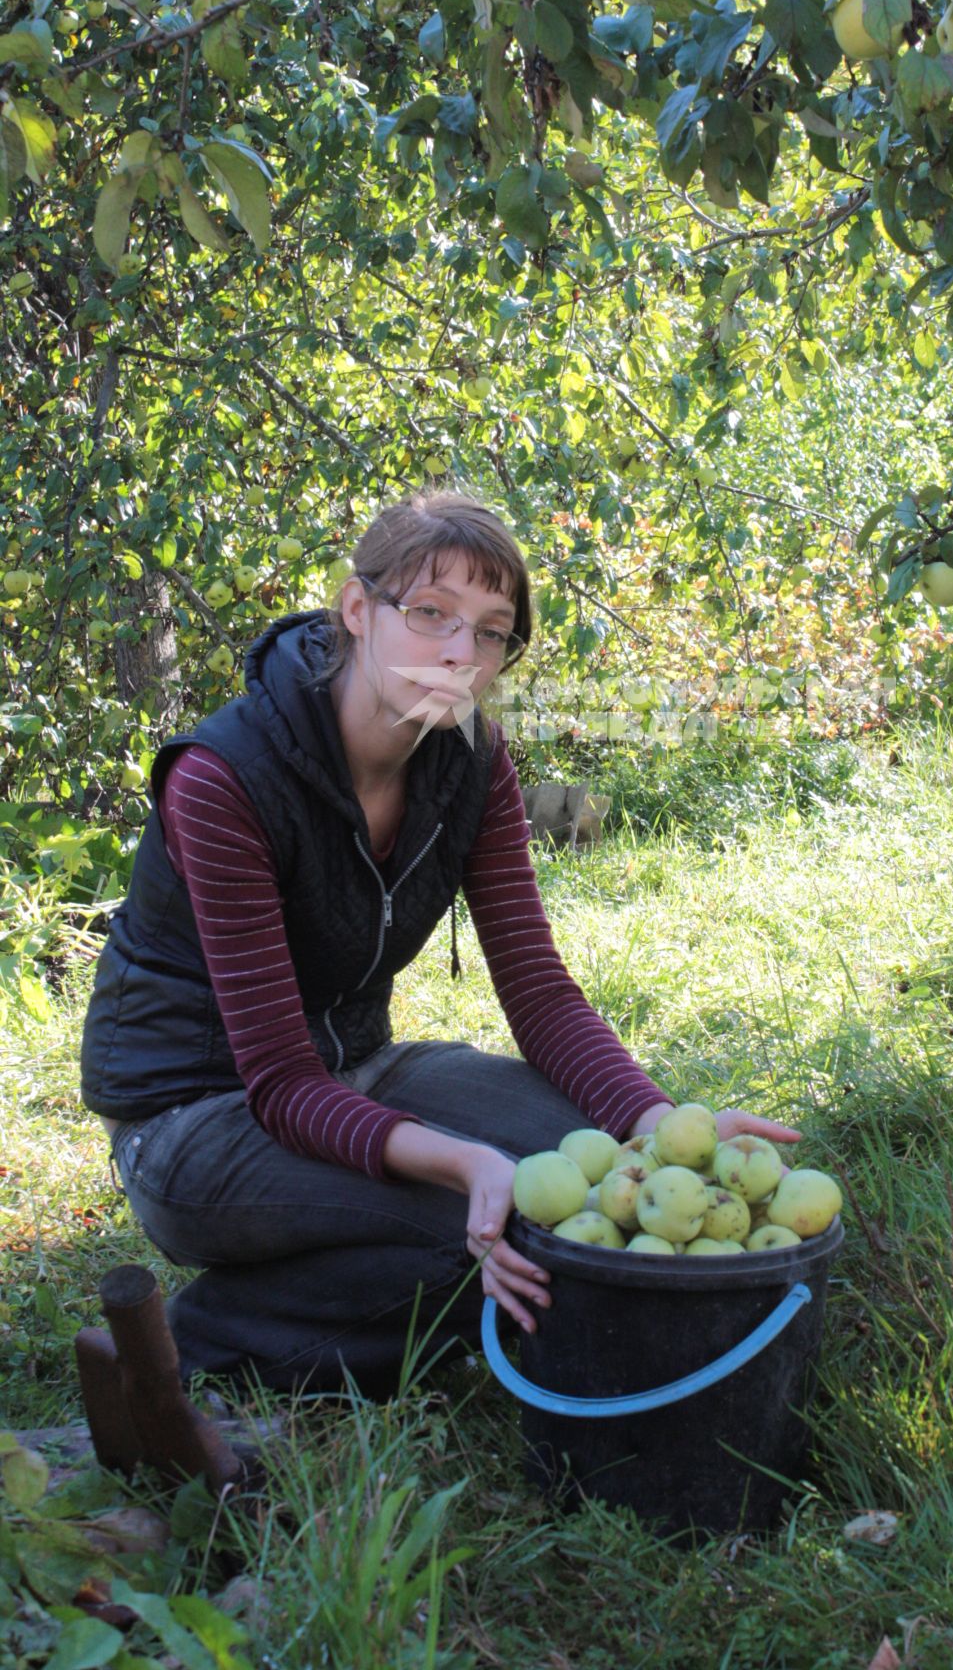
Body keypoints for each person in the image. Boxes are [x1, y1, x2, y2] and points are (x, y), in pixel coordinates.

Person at [80, 488, 799, 1400]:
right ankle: (212, 1337)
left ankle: (355, 1288)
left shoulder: (472, 764)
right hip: (194, 1121)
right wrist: (465, 1165)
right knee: (499, 1225)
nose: (461, 652)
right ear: (356, 611)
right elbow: (278, 1081)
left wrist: (656, 1127)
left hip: (356, 1067)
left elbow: (538, 993)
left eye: (491, 631)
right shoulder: (224, 780)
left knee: (601, 1179)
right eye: (430, 614)